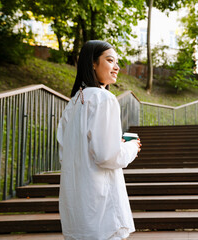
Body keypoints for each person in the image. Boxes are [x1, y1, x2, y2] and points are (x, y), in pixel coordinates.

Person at [57, 40, 141, 240]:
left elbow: (66, 153)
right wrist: (131, 148)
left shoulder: (74, 102)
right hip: (100, 206)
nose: (117, 67)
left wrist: (113, 144)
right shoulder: (103, 98)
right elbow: (107, 156)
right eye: (110, 60)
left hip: (75, 205)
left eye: (116, 62)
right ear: (92, 63)